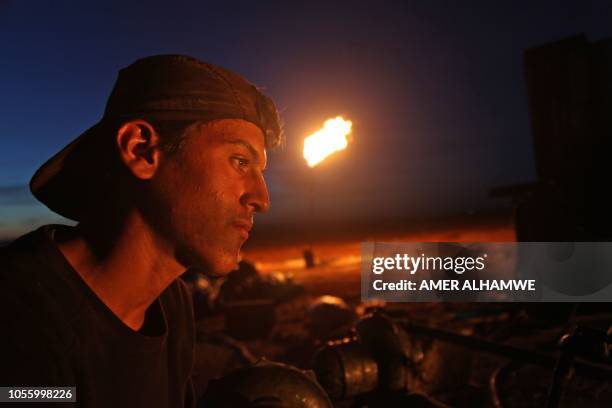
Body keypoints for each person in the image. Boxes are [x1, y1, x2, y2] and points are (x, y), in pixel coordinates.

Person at [0, 55, 282, 407]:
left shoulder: (170, 303)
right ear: (142, 150)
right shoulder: (19, 323)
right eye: (240, 161)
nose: (261, 198)